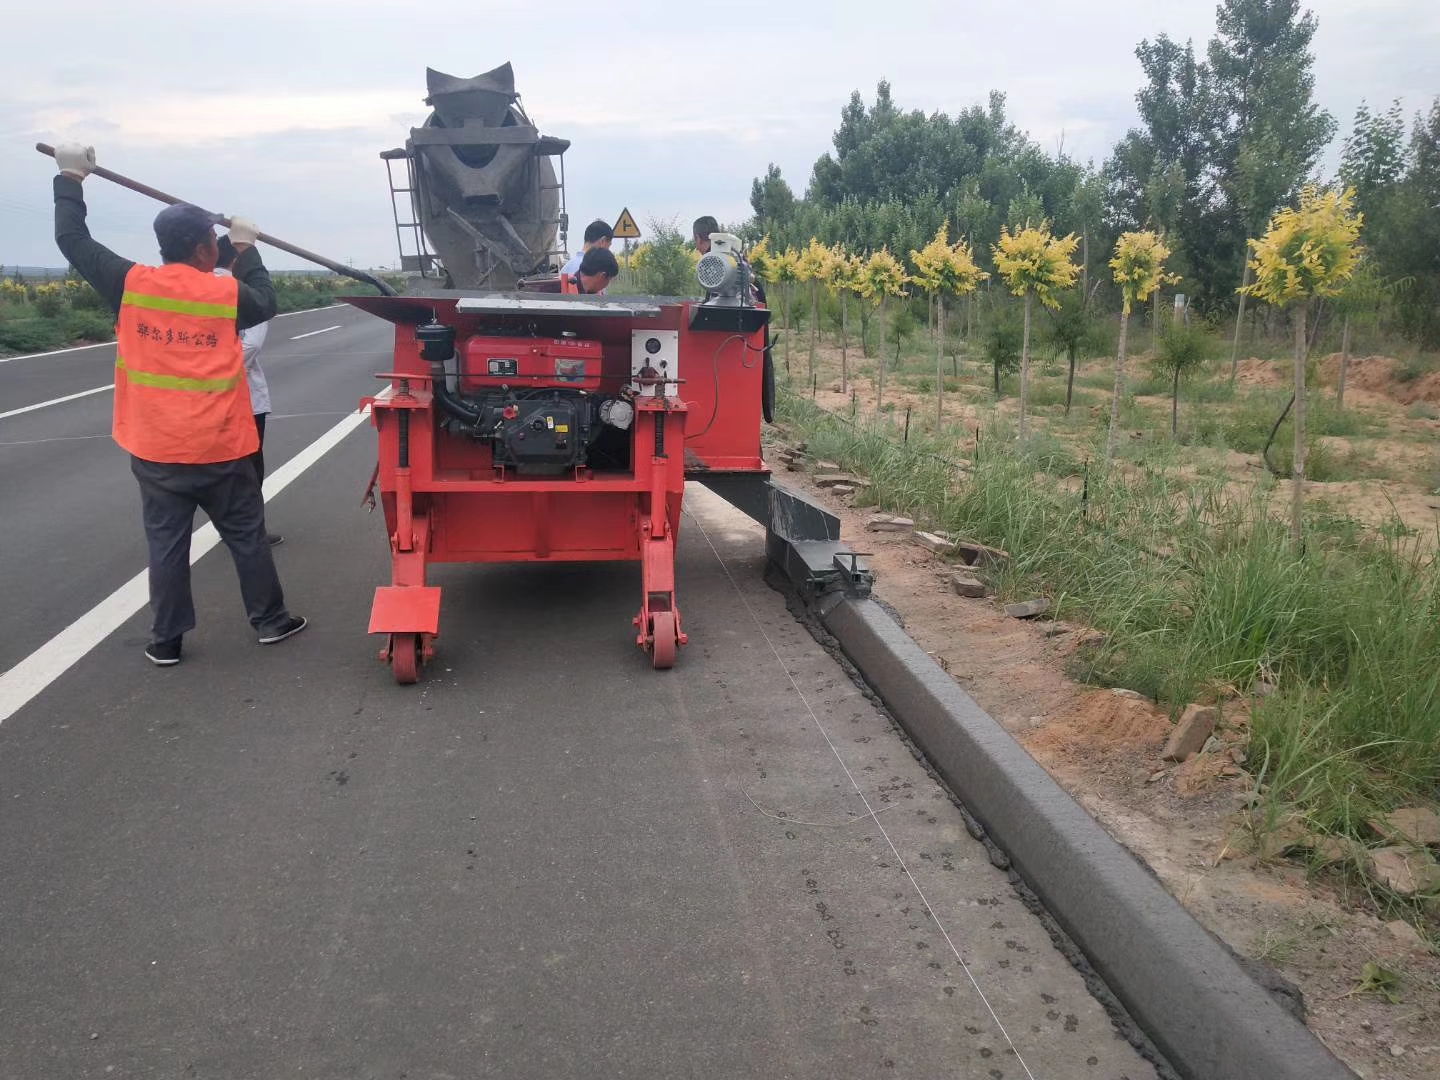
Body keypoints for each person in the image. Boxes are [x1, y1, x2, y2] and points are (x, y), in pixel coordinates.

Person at [51, 143, 306, 667]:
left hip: (156, 448)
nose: (217, 249)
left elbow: (72, 240)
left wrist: (71, 177)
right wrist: (247, 247)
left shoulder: (130, 284)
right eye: (214, 242)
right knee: (247, 536)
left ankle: (166, 640)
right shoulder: (225, 295)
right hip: (221, 446)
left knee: (166, 544)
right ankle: (270, 621)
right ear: (202, 250)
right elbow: (265, 299)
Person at [216, 245, 282, 546]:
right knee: (250, 469)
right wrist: (217, 369)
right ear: (237, 260)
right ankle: (249, 530)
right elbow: (251, 345)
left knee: (221, 467)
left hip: (204, 397)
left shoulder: (191, 289)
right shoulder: (244, 294)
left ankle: (230, 525)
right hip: (244, 399)